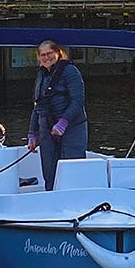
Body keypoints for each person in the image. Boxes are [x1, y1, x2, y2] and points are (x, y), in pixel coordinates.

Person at [27, 40, 88, 190]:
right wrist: (32, 133)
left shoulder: (70, 71)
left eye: (49, 53)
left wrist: (63, 122)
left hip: (72, 128)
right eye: (43, 55)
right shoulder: (41, 75)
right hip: (46, 130)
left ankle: (74, 202)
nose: (46, 57)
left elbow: (78, 100)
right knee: (49, 171)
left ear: (58, 53)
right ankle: (51, 198)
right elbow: (38, 105)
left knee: (72, 169)